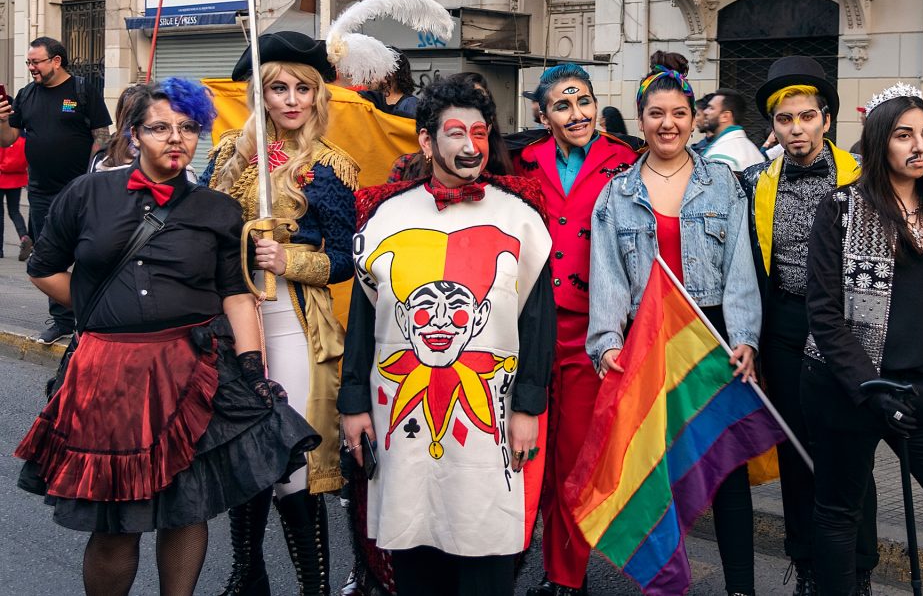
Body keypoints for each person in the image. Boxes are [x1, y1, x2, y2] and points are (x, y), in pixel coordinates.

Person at [14, 78, 319, 596]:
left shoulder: (219, 211)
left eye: (187, 128)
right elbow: (43, 267)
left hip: (191, 370)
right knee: (117, 524)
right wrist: (98, 310)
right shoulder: (86, 194)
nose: (175, 138)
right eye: (159, 128)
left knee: (187, 509)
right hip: (107, 377)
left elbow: (235, 293)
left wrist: (251, 367)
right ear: (134, 135)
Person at [339, 78, 556, 596]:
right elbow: (364, 319)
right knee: (416, 550)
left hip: (493, 420)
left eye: (480, 134)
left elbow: (537, 322)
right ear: (425, 142)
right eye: (456, 133)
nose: (470, 146)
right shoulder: (386, 216)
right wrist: (353, 403)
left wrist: (528, 406)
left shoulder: (521, 217)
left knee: (486, 550)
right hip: (399, 416)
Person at [803, 87, 923, 594]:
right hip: (850, 390)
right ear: (878, 142)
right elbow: (825, 315)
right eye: (904, 134)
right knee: (839, 514)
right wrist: (872, 388)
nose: (920, 146)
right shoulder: (841, 209)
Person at [588, 65, 761, 596]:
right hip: (646, 340)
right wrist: (607, 342)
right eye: (656, 114)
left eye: (679, 114)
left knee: (725, 470)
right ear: (640, 121)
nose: (668, 124)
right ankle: (665, 584)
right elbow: (608, 276)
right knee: (655, 474)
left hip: (709, 340)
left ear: (694, 120)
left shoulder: (724, 183)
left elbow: (739, 269)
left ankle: (740, 589)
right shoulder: (616, 194)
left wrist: (746, 339)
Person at [202, 30, 359, 596]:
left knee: (293, 465)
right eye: (278, 89)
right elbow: (200, 230)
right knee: (242, 459)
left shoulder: (331, 167)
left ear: (318, 97)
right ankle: (248, 576)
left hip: (297, 324)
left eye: (302, 89)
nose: (292, 100)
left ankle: (312, 588)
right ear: (260, 95)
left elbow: (345, 257)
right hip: (233, 325)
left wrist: (288, 258)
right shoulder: (227, 156)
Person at [740, 55, 878, 595]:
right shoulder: (754, 181)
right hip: (786, 326)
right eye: (784, 119)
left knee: (849, 452)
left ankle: (858, 569)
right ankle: (809, 566)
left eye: (806, 117)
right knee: (797, 453)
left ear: (825, 119)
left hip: (848, 328)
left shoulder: (863, 177)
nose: (796, 129)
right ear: (772, 126)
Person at [513, 63, 638, 596]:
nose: (578, 114)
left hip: (597, 332)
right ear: (543, 115)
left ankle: (567, 576)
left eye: (584, 101)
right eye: (562, 105)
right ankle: (525, 559)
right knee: (526, 453)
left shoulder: (625, 161)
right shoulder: (521, 162)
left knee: (574, 459)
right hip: (529, 328)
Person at [0, 36, 113, 344]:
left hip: (81, 191)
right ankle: (62, 320)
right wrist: (1, 120)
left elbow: (101, 136)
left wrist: (92, 177)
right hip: (39, 192)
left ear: (56, 61)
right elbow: (8, 140)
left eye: (36, 62)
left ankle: (92, 315)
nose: (31, 67)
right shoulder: (26, 95)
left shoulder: (82, 90)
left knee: (87, 252)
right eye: (29, 62)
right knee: (50, 256)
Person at [700, 88, 764, 171]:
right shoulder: (752, 149)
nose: (705, 112)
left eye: (711, 108)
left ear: (725, 116)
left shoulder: (720, 157)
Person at [360, 50, 418, 118]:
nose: (368, 78)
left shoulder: (411, 106)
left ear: (389, 75)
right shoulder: (366, 100)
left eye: (374, 71)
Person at [0, 134, 31, 259]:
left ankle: (0, 250)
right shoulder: (23, 140)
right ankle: (24, 236)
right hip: (17, 179)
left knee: (0, 214)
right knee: (14, 212)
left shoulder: (3, 138)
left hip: (1, 177)